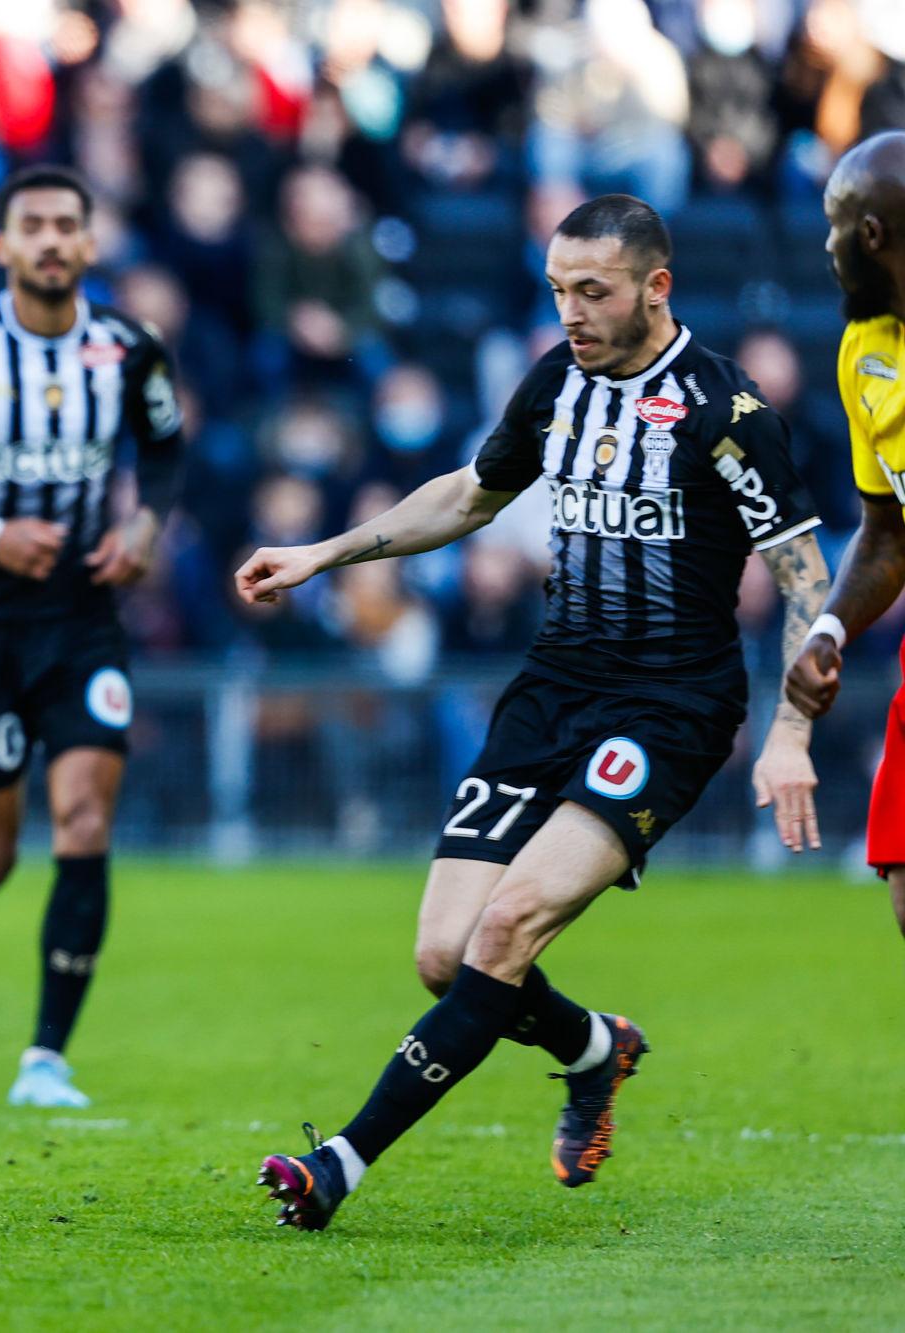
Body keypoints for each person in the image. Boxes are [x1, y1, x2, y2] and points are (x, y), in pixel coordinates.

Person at [235, 195, 831, 1230]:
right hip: (550, 685)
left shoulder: (725, 414)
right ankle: (593, 1047)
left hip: (666, 708)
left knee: (505, 925)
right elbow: (470, 494)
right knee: (442, 955)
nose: (569, 311)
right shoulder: (554, 382)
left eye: (591, 291)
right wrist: (322, 553)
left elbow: (802, 579)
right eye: (557, 289)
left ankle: (338, 1160)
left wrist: (788, 731)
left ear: (655, 287)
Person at [0, 165, 185, 1108]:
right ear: (3, 245)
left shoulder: (132, 348)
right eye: (34, 226)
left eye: (68, 225)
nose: (52, 240)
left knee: (88, 820)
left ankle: (46, 1056)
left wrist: (143, 529)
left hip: (84, 620)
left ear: (90, 245)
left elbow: (167, 449)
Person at [784, 130, 905, 943]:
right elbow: (888, 533)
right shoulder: (864, 350)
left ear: (869, 236)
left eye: (832, 226)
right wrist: (829, 627)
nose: (825, 248)